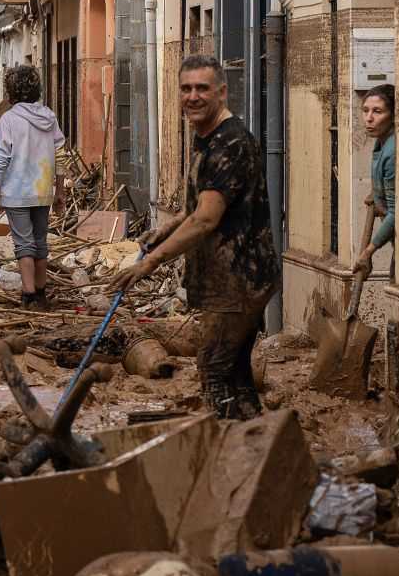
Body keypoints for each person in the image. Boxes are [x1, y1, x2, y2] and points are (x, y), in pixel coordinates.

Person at [112, 55, 280, 420]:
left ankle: (224, 447)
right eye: (186, 88)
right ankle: (258, 439)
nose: (193, 96)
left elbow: (206, 219)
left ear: (222, 92)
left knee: (214, 368)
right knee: (236, 373)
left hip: (239, 281)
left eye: (202, 88)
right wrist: (165, 228)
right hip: (235, 279)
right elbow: (199, 206)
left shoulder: (229, 145)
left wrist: (151, 262)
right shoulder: (207, 138)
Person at [0, 64, 64, 309]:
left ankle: (28, 294)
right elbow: (60, 155)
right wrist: (59, 190)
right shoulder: (49, 117)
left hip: (16, 192)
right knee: (40, 242)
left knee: (24, 244)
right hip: (42, 191)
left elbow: (0, 158)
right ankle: (41, 293)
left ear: (10, 91)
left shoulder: (8, 120)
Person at [351, 85, 395, 280]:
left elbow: (397, 213)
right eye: (365, 110)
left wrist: (368, 252)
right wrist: (377, 194)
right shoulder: (381, 141)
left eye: (377, 111)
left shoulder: (393, 151)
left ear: (393, 115)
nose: (369, 118)